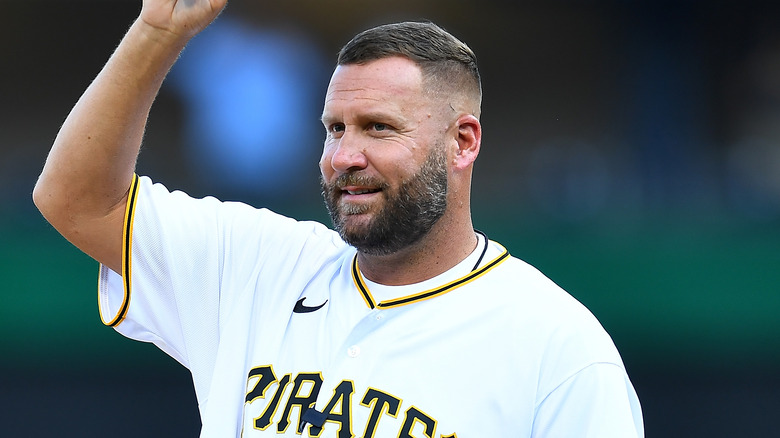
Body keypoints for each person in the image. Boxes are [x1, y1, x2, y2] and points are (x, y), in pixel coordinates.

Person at [33, 0, 644, 437]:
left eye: (379, 128)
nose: (345, 157)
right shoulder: (259, 265)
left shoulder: (559, 349)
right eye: (334, 129)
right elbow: (78, 201)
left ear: (463, 142)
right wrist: (155, 31)